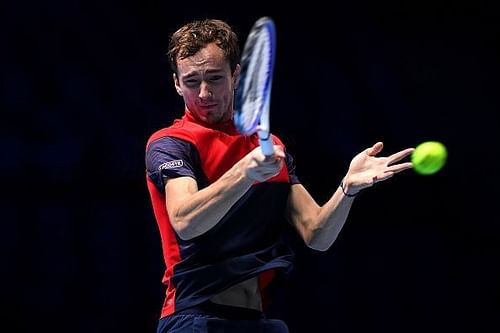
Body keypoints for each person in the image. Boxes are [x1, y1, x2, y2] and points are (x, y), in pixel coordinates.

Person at [145, 18, 414, 333]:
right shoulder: (171, 143)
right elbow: (186, 221)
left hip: (258, 322)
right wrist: (245, 171)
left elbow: (316, 234)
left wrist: (347, 188)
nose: (204, 93)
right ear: (177, 83)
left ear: (236, 75)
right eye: (191, 81)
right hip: (195, 318)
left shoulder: (271, 148)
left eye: (215, 78)